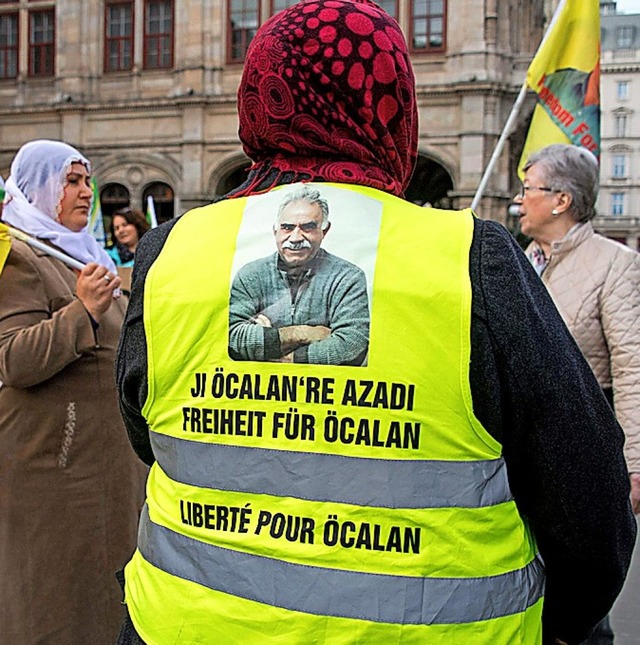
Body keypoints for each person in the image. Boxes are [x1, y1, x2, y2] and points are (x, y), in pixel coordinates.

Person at [115, 2, 636, 644]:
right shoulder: (472, 257)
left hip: (186, 625)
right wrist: (570, 619)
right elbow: (587, 492)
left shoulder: (170, 250)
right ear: (391, 103)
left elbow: (148, 432)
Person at [0, 139, 148, 645]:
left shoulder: (74, 253)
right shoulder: (19, 256)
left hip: (103, 467)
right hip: (55, 473)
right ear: (38, 188)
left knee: (104, 597)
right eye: (72, 181)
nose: (87, 192)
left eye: (87, 180)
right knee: (58, 603)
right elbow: (14, 359)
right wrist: (80, 310)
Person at [515, 142, 640, 644]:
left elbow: (632, 368)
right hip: (522, 452)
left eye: (529, 190)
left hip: (583, 452)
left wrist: (635, 463)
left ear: (561, 200)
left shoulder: (616, 264)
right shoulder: (521, 261)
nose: (521, 202)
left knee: (582, 592)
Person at [229, 185, 370, 365]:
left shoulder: (348, 277)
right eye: (287, 228)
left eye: (308, 227)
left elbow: (351, 344)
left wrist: (272, 349)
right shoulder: (251, 274)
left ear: (324, 231)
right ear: (275, 231)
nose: (295, 237)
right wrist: (302, 333)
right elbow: (232, 336)